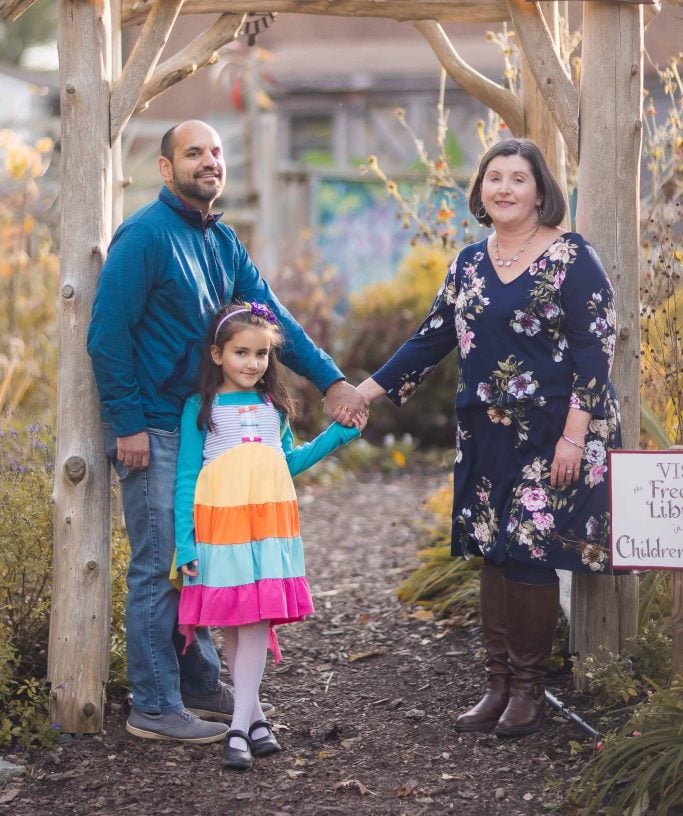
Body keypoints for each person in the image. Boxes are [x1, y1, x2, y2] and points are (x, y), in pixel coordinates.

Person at [87, 119, 367, 744]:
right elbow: (106, 336)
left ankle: (199, 682)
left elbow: (273, 318)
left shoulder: (222, 241)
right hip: (156, 427)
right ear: (166, 169)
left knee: (208, 558)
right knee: (162, 565)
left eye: (215, 152)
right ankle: (153, 704)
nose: (209, 161)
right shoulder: (145, 237)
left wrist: (331, 381)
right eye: (194, 153)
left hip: (205, 429)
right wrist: (127, 424)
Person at [357, 137, 620, 738]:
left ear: (539, 191)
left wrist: (575, 437)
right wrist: (363, 393)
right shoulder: (469, 265)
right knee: (494, 551)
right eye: (493, 177)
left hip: (556, 434)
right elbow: (428, 341)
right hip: (486, 433)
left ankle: (529, 690)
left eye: (517, 179)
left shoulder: (572, 258)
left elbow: (595, 349)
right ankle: (497, 683)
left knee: (529, 551)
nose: (503, 188)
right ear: (479, 190)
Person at [175, 302, 363, 770]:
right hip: (223, 527)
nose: (253, 363)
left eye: (261, 354)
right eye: (242, 352)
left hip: (269, 526)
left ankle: (240, 726)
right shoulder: (201, 408)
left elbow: (288, 462)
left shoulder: (270, 406)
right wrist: (185, 540)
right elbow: (185, 478)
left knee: (255, 618)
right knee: (239, 620)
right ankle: (252, 720)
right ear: (217, 354)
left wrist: (336, 437)